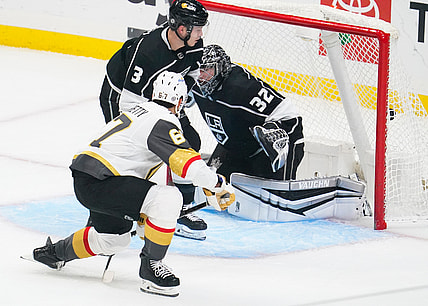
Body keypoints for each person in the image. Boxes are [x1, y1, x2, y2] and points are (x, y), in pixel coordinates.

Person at [31, 71, 235, 297]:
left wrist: (147, 218)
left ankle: (54, 253)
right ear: (180, 102)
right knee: (170, 198)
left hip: (89, 179)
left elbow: (150, 174)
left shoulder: (140, 112)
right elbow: (188, 165)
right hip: (104, 181)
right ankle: (151, 267)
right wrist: (217, 184)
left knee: (112, 241)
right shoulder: (163, 120)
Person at [98, 0, 209, 240]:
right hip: (119, 96)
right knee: (130, 159)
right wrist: (153, 127)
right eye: (197, 28)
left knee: (189, 143)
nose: (201, 34)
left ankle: (182, 208)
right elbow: (128, 104)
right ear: (181, 29)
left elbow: (190, 73)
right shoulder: (148, 52)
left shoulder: (195, 44)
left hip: (163, 98)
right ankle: (109, 216)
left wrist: (178, 100)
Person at [192, 44, 305, 181]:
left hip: (271, 149)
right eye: (199, 70)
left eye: (207, 70)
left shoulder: (242, 88)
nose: (201, 76)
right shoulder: (194, 82)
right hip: (235, 146)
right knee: (210, 186)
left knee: (277, 197)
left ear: (221, 68)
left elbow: (291, 117)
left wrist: (273, 129)